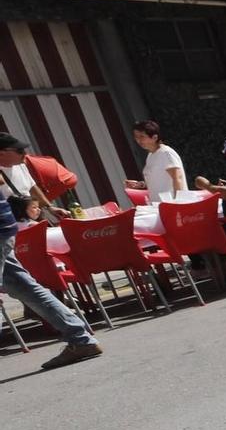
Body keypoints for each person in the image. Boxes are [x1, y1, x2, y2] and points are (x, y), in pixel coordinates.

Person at [0, 133, 103, 369]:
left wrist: (45, 207)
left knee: (26, 287)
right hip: (6, 230)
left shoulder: (16, 167)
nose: (24, 155)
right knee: (26, 287)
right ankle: (80, 338)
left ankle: (80, 338)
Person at [123, 119, 187, 203]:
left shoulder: (166, 153)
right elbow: (157, 180)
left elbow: (178, 178)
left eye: (142, 136)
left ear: (154, 137)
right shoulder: (150, 156)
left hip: (171, 205)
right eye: (136, 137)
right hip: (159, 206)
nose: (138, 140)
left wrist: (179, 202)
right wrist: (140, 184)